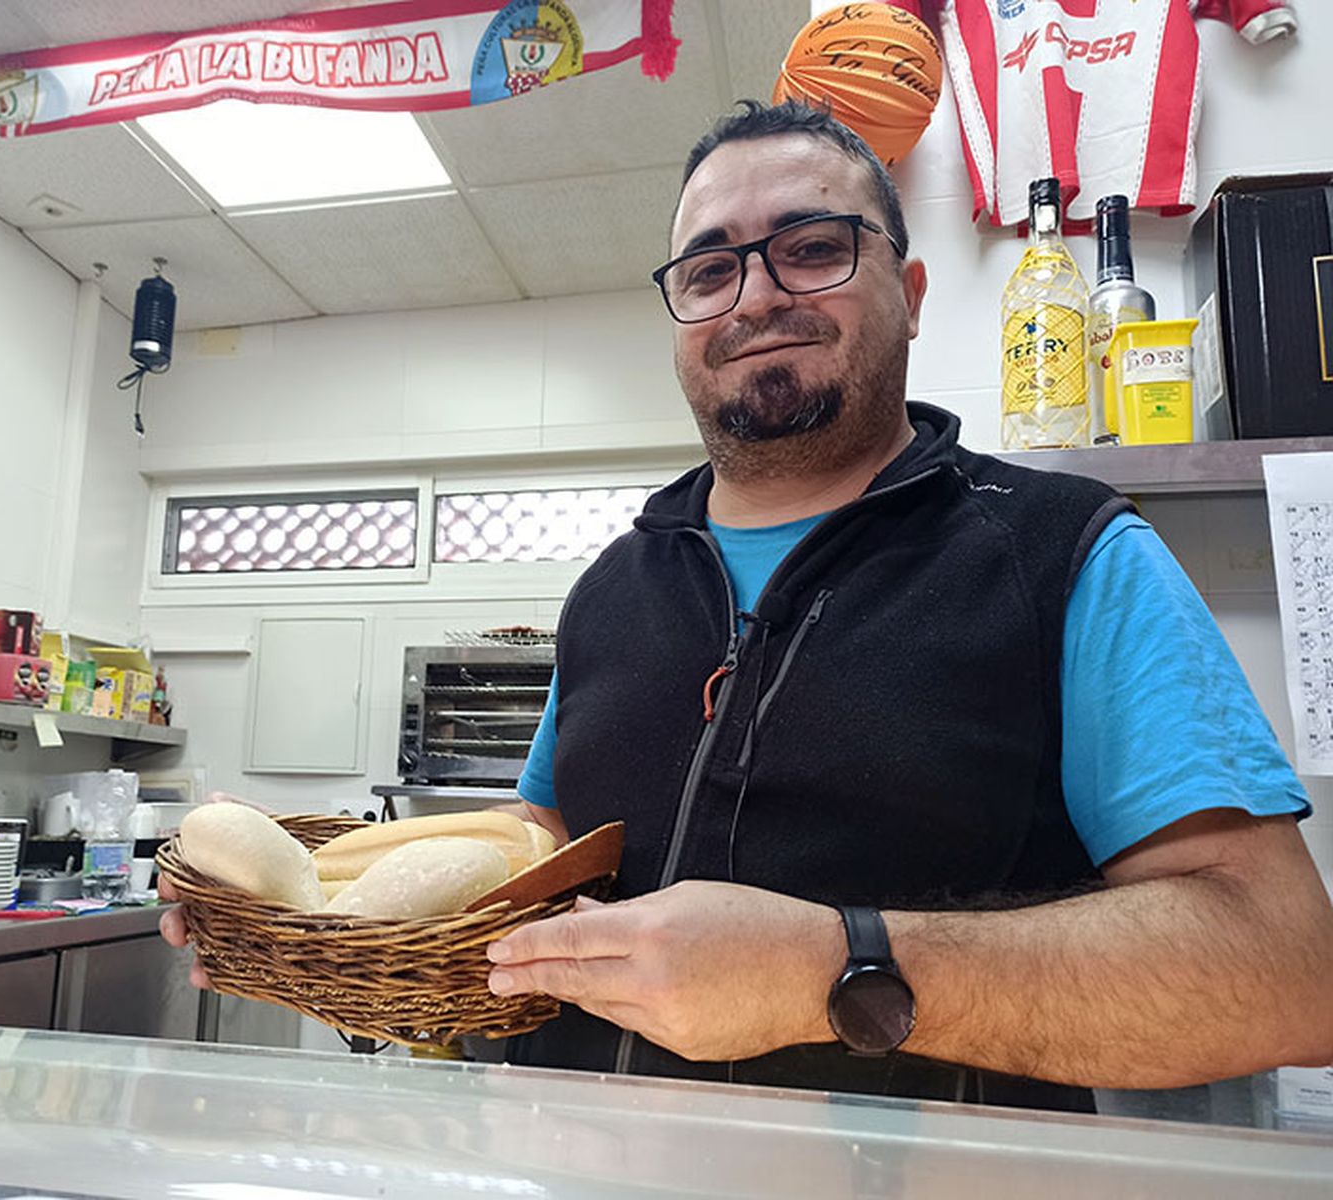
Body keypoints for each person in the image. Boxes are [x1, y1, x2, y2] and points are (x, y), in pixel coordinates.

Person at [161, 101, 1333, 1112]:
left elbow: (1284, 975)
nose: (756, 296)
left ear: (911, 293)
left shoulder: (1067, 556)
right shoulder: (613, 589)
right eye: (711, 268)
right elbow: (538, 873)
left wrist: (842, 966)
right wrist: (307, 929)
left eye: (812, 247)